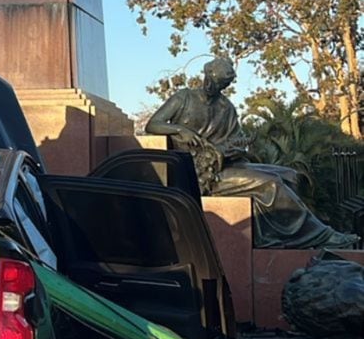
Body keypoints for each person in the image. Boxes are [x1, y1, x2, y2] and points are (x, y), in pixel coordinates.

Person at [145, 58, 359, 250]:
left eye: (219, 84)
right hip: (200, 173)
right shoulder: (184, 98)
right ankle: (321, 236)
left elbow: (235, 141)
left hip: (226, 163)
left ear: (225, 86)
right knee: (271, 184)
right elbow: (152, 125)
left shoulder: (226, 108)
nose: (212, 85)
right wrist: (180, 129)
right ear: (205, 74)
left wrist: (236, 148)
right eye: (210, 79)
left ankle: (278, 238)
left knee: (289, 175)